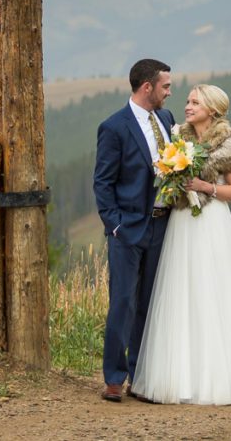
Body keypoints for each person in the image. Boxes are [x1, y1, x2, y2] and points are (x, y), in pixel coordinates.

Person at [130, 83, 231, 405]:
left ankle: (215, 379)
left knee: (211, 292)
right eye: (188, 101)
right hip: (182, 223)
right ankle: (178, 378)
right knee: (180, 292)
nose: (187, 106)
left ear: (213, 110)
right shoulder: (180, 138)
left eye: (195, 102)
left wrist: (205, 186)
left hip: (212, 224)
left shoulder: (230, 145)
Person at [93, 58, 175, 402]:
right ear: (147, 87)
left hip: (162, 226)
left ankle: (140, 376)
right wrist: (115, 226)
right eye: (165, 86)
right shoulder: (114, 127)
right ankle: (114, 378)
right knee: (123, 302)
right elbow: (103, 182)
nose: (169, 92)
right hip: (127, 230)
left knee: (149, 303)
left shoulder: (167, 120)